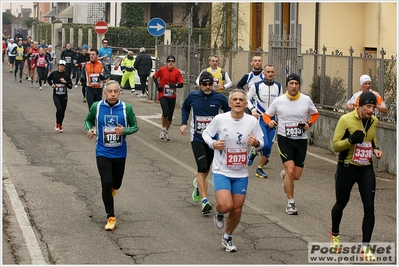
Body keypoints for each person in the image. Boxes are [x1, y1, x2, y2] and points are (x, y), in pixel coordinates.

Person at [202, 89, 264, 252]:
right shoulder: (220, 119)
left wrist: (256, 143)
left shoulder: (252, 121)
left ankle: (227, 237)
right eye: (234, 99)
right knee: (226, 205)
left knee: (237, 208)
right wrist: (213, 144)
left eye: (241, 100)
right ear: (229, 104)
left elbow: (263, 142)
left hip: (241, 172)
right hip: (222, 170)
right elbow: (206, 134)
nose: (237, 102)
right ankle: (219, 212)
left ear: (245, 104)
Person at [330, 91, 382, 262]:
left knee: (369, 206)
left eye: (374, 107)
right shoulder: (345, 120)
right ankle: (335, 235)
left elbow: (371, 139)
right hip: (346, 167)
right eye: (368, 106)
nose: (371, 110)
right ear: (360, 106)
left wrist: (375, 149)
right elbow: (336, 145)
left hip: (365, 168)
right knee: (341, 203)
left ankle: (366, 247)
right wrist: (351, 140)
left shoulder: (374, 121)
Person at [84, 80, 139, 231]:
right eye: (110, 91)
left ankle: (111, 191)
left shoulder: (126, 108)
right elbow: (88, 121)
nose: (113, 94)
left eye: (116, 91)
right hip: (102, 152)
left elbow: (135, 126)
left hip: (120, 153)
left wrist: (125, 131)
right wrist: (89, 130)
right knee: (106, 183)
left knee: (116, 184)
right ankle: (111, 217)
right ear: (105, 93)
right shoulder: (97, 106)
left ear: (119, 93)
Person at [263, 73, 319, 215]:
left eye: (296, 83)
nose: (294, 86)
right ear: (287, 85)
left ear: (299, 85)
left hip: (301, 140)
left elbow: (315, 114)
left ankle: (286, 179)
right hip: (284, 139)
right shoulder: (279, 100)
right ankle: (291, 203)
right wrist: (269, 121)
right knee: (290, 170)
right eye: (291, 83)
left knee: (296, 175)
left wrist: (309, 124)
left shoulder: (306, 100)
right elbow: (266, 114)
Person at [180, 72, 230, 215]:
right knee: (202, 168)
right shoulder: (192, 96)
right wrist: (184, 123)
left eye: (210, 84)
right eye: (204, 84)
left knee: (207, 167)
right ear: (200, 84)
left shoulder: (220, 98)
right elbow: (185, 108)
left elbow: (229, 114)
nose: (207, 87)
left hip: (214, 140)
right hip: (197, 137)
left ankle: (198, 184)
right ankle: (204, 201)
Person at [247, 64, 283, 178]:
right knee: (265, 144)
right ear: (264, 73)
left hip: (273, 120)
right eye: (268, 72)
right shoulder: (257, 86)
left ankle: (259, 168)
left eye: (272, 72)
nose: (270, 74)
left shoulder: (278, 86)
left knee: (269, 147)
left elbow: (281, 102)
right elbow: (247, 98)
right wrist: (253, 109)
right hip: (261, 119)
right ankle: (255, 150)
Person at [152, 55, 184, 141]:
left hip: (172, 96)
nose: (171, 62)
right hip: (163, 94)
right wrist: (158, 85)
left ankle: (166, 131)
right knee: (165, 111)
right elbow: (154, 77)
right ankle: (163, 129)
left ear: (174, 62)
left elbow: (181, 84)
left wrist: (175, 85)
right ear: (167, 62)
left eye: (172, 61)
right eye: (169, 61)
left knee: (170, 115)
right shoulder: (162, 70)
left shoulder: (177, 72)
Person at [47, 60, 73, 132]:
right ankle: (57, 123)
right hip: (56, 95)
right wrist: (51, 84)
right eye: (60, 65)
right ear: (58, 66)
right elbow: (48, 79)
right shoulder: (54, 74)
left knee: (63, 110)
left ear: (64, 67)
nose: (61, 67)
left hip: (64, 95)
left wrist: (65, 82)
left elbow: (70, 86)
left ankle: (60, 124)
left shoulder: (66, 75)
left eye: (63, 66)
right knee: (59, 109)